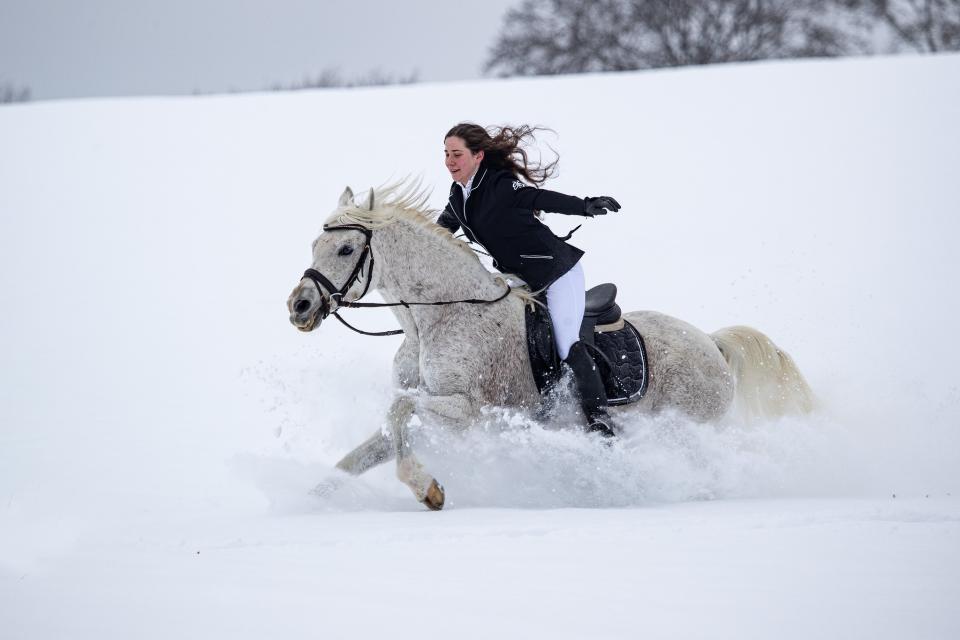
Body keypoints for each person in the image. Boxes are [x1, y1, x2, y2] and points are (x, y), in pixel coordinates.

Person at [437, 123, 622, 436]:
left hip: (557, 273)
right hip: (518, 280)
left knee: (566, 342)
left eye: (457, 154)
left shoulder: (499, 184)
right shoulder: (458, 197)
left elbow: (541, 197)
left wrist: (584, 206)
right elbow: (438, 234)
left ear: (478, 155)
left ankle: (600, 420)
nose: (450, 161)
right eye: (446, 154)